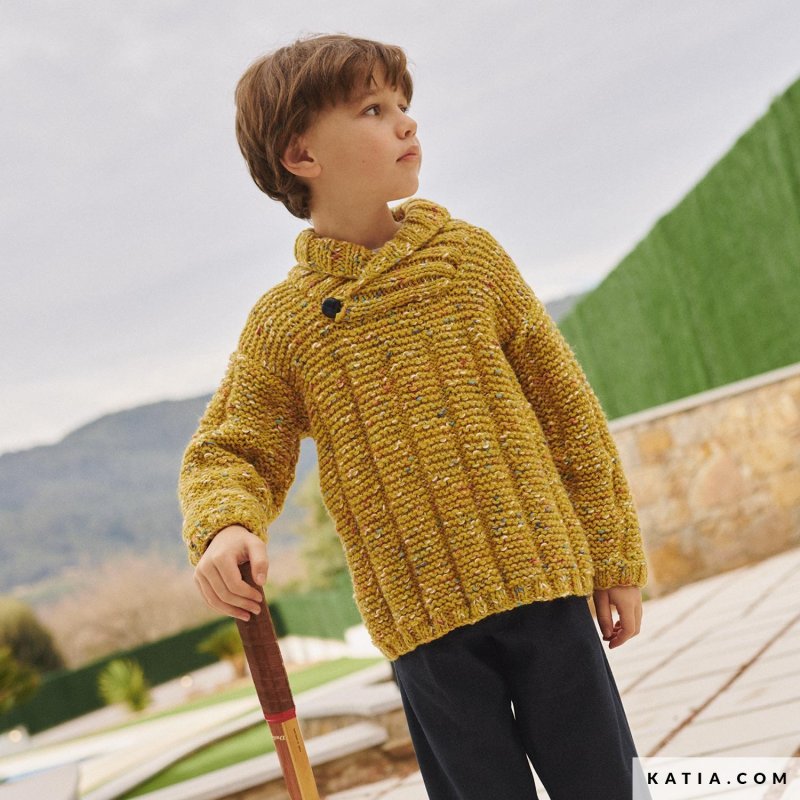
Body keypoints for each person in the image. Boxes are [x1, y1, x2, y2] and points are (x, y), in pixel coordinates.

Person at [177, 32, 653, 800]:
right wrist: (226, 523)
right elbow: (231, 448)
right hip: (424, 628)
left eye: (403, 104)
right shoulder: (287, 325)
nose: (407, 122)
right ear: (301, 154)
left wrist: (614, 555)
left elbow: (568, 412)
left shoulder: (470, 260)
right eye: (374, 109)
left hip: (545, 588)